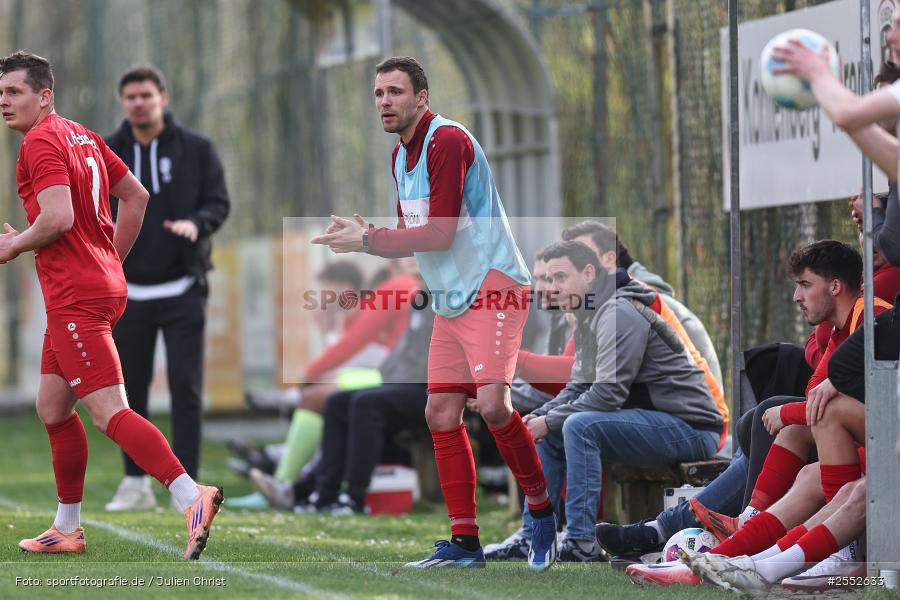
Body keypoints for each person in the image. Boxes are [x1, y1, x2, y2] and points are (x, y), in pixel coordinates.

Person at [311, 56, 558, 571]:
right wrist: (366, 237)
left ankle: (541, 512)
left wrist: (368, 241)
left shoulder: (447, 141)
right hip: (451, 296)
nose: (385, 102)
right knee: (439, 413)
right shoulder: (399, 157)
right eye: (379, 93)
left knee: (492, 406)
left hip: (495, 284)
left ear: (422, 98)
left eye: (396, 92)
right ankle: (465, 543)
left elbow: (440, 233)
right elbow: (417, 241)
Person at [0, 51, 221, 560]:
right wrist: (110, 263)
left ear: (44, 95)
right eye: (2, 93)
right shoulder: (84, 134)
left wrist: (15, 245)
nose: (5, 102)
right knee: (53, 409)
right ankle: (67, 528)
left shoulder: (40, 141)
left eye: (15, 91)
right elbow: (137, 196)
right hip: (95, 287)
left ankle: (192, 495)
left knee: (108, 412)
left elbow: (56, 218)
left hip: (77, 294)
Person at [489, 240, 725, 562]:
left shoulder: (617, 311)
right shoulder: (591, 314)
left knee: (578, 425)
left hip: (692, 428)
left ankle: (581, 542)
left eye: (560, 277)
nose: (551, 287)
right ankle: (534, 535)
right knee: (550, 428)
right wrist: (537, 419)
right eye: (547, 279)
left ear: (589, 274)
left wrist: (548, 419)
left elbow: (608, 394)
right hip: (654, 421)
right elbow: (576, 388)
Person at [103, 65, 230, 512]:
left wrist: (198, 224)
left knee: (185, 388)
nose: (138, 102)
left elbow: (219, 202)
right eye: (130, 96)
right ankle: (135, 482)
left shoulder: (196, 149)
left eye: (146, 95)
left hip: (183, 288)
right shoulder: (106, 151)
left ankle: (187, 488)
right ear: (123, 102)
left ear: (163, 97)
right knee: (128, 390)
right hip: (126, 292)